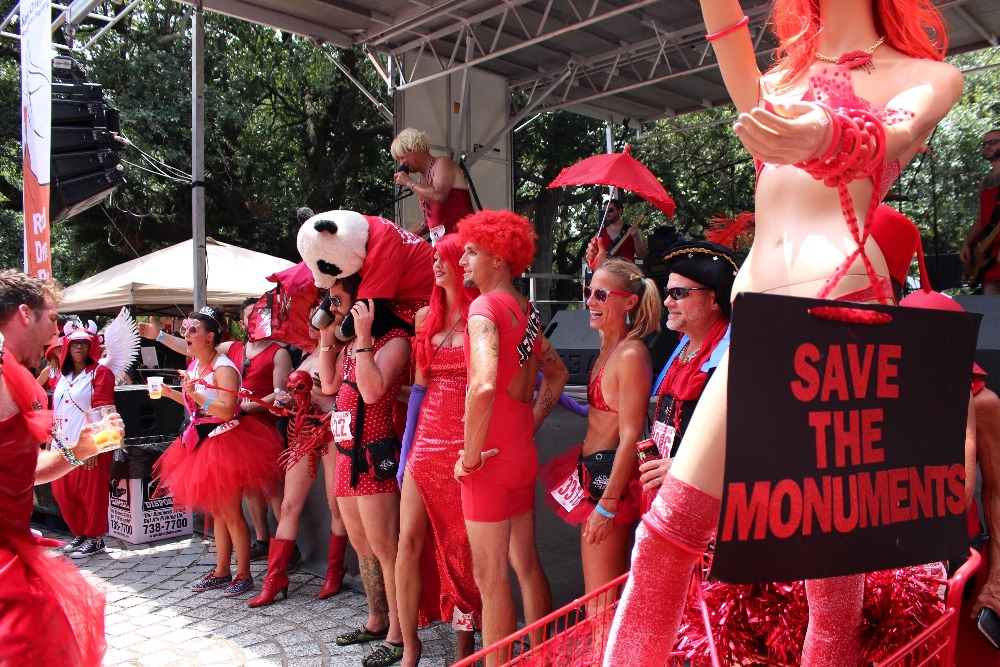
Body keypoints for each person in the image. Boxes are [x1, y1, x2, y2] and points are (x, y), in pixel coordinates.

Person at [604, 0, 963, 664]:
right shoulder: (776, 85)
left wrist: (826, 135)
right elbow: (725, 32)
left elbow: (896, 134)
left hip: (844, 314)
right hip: (763, 320)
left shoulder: (929, 76)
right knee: (666, 534)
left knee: (830, 560)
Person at [455, 209, 569, 665]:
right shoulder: (527, 309)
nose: (463, 259)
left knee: (491, 579)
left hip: (491, 462)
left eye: (471, 251)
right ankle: (540, 657)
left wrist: (470, 455)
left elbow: (482, 386)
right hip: (521, 452)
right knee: (526, 563)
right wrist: (528, 426)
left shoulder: (483, 308)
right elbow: (556, 375)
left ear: (499, 257)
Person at [0, 269, 120, 667]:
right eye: (53, 319)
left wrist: (80, 449)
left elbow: (22, 471)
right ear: (24, 314)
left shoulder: (15, 373)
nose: (58, 335)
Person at [539, 258, 660, 595]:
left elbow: (631, 435)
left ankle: (601, 649)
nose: (589, 301)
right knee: (599, 597)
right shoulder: (609, 345)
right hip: (592, 475)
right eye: (588, 291)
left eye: (601, 295)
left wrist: (607, 506)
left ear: (630, 302)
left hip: (609, 485)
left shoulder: (631, 354)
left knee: (600, 601)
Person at [140, 300, 294, 564]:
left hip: (240, 433)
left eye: (191, 329)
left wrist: (198, 396)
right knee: (221, 511)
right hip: (208, 436)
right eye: (184, 328)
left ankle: (269, 560)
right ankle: (224, 569)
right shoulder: (214, 357)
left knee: (252, 501)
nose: (185, 334)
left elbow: (230, 407)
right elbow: (195, 395)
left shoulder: (252, 357)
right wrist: (169, 391)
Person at [395, 234, 482, 667]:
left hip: (466, 445)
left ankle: (465, 650)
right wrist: (407, 450)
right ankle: (410, 647)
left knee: (461, 550)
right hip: (425, 442)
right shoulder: (425, 317)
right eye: (436, 257)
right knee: (406, 542)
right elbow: (417, 390)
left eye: (446, 257)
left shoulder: (482, 315)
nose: (439, 264)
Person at [316, 274, 411, 667]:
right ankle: (376, 618)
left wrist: (365, 336)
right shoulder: (353, 344)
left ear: (365, 305)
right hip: (345, 453)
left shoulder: (394, 341)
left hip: (374, 456)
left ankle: (399, 634)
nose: (332, 308)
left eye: (338, 301)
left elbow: (373, 392)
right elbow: (327, 383)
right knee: (362, 545)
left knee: (385, 549)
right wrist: (326, 336)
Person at [247, 303, 350, 607]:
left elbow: (346, 393)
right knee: (289, 504)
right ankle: (274, 577)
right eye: (311, 320)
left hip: (330, 429)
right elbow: (294, 393)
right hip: (303, 428)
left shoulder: (344, 351)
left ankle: (334, 571)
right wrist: (285, 398)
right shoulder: (308, 354)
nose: (311, 325)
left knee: (334, 503)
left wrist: (325, 404)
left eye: (318, 320)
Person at [638, 242, 738, 493]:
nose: (668, 302)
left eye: (679, 293)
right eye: (667, 291)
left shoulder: (734, 355)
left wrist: (684, 466)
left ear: (714, 299)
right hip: (665, 491)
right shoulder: (679, 346)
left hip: (706, 497)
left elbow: (752, 437)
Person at [50, 320, 116, 558]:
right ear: (67, 346)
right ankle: (80, 533)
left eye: (84, 344)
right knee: (63, 493)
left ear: (92, 348)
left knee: (92, 494)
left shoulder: (101, 372)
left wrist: (96, 447)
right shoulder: (61, 376)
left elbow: (105, 409)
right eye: (75, 343)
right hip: (61, 445)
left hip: (90, 445)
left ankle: (96, 537)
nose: (79, 348)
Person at [391, 128, 475, 238]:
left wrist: (409, 182)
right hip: (442, 245)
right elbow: (427, 222)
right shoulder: (421, 181)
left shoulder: (443, 163)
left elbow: (438, 197)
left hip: (464, 239)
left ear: (415, 149)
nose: (402, 163)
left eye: (402, 157)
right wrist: (401, 236)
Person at [960, 129, 1000, 293]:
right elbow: (981, 219)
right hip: (988, 250)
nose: (987, 146)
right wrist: (967, 243)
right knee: (991, 308)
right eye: (984, 144)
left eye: (993, 142)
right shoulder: (985, 182)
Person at [586, 198, 647, 264]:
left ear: (620, 211)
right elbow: (588, 258)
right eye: (605, 211)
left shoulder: (633, 230)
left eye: (610, 210)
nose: (607, 213)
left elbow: (642, 256)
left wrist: (635, 237)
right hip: (607, 272)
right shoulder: (601, 232)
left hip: (627, 272)